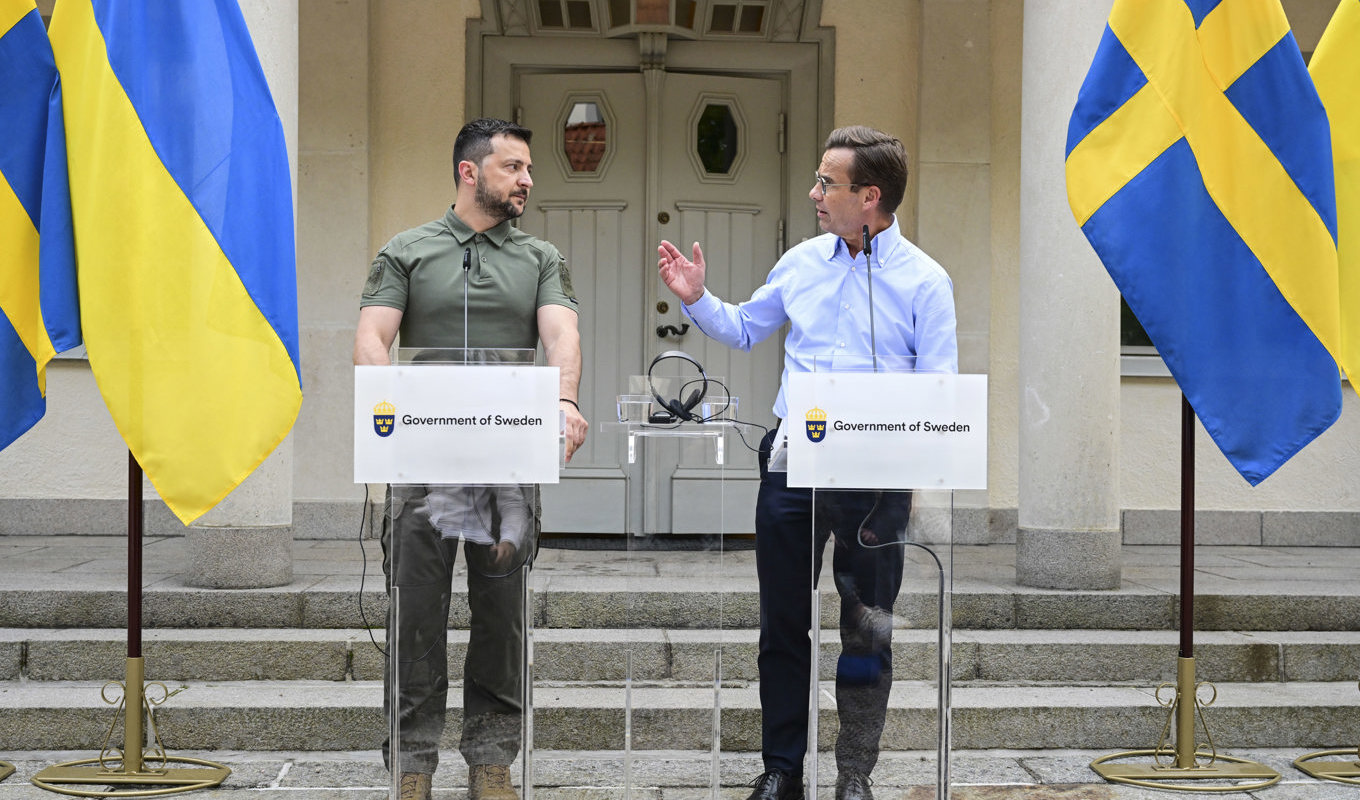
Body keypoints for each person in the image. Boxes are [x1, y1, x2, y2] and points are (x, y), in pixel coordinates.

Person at [657, 125, 957, 800]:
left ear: (869, 196)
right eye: (818, 179)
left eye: (828, 182)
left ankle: (854, 775)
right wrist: (696, 296)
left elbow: (939, 387)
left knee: (866, 626)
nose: (815, 193)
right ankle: (782, 771)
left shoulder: (925, 281)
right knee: (783, 624)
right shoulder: (800, 262)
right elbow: (745, 328)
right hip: (792, 467)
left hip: (876, 480)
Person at [354, 117, 588, 800]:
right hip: (423, 463)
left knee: (501, 618)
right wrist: (388, 412)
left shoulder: (540, 257)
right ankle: (412, 766)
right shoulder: (407, 250)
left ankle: (492, 760)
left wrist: (565, 400)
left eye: (528, 169)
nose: (527, 180)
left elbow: (561, 335)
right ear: (469, 171)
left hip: (506, 463)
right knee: (415, 615)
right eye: (514, 167)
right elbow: (372, 338)